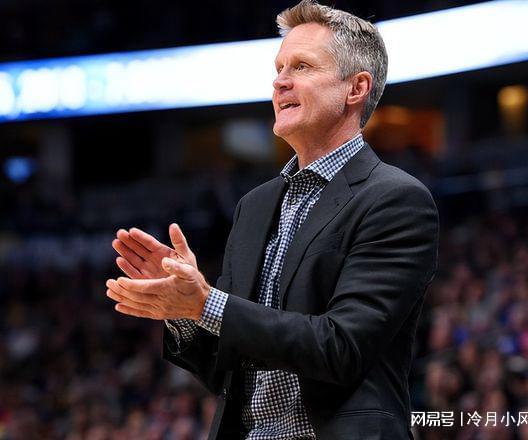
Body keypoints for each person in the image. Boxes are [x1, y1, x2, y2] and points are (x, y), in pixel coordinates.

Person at [105, 1, 439, 438]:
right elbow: (224, 368)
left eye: (302, 66)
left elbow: (341, 348)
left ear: (356, 88)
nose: (280, 81)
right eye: (279, 68)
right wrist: (183, 309)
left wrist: (207, 303)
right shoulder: (254, 206)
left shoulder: (395, 199)